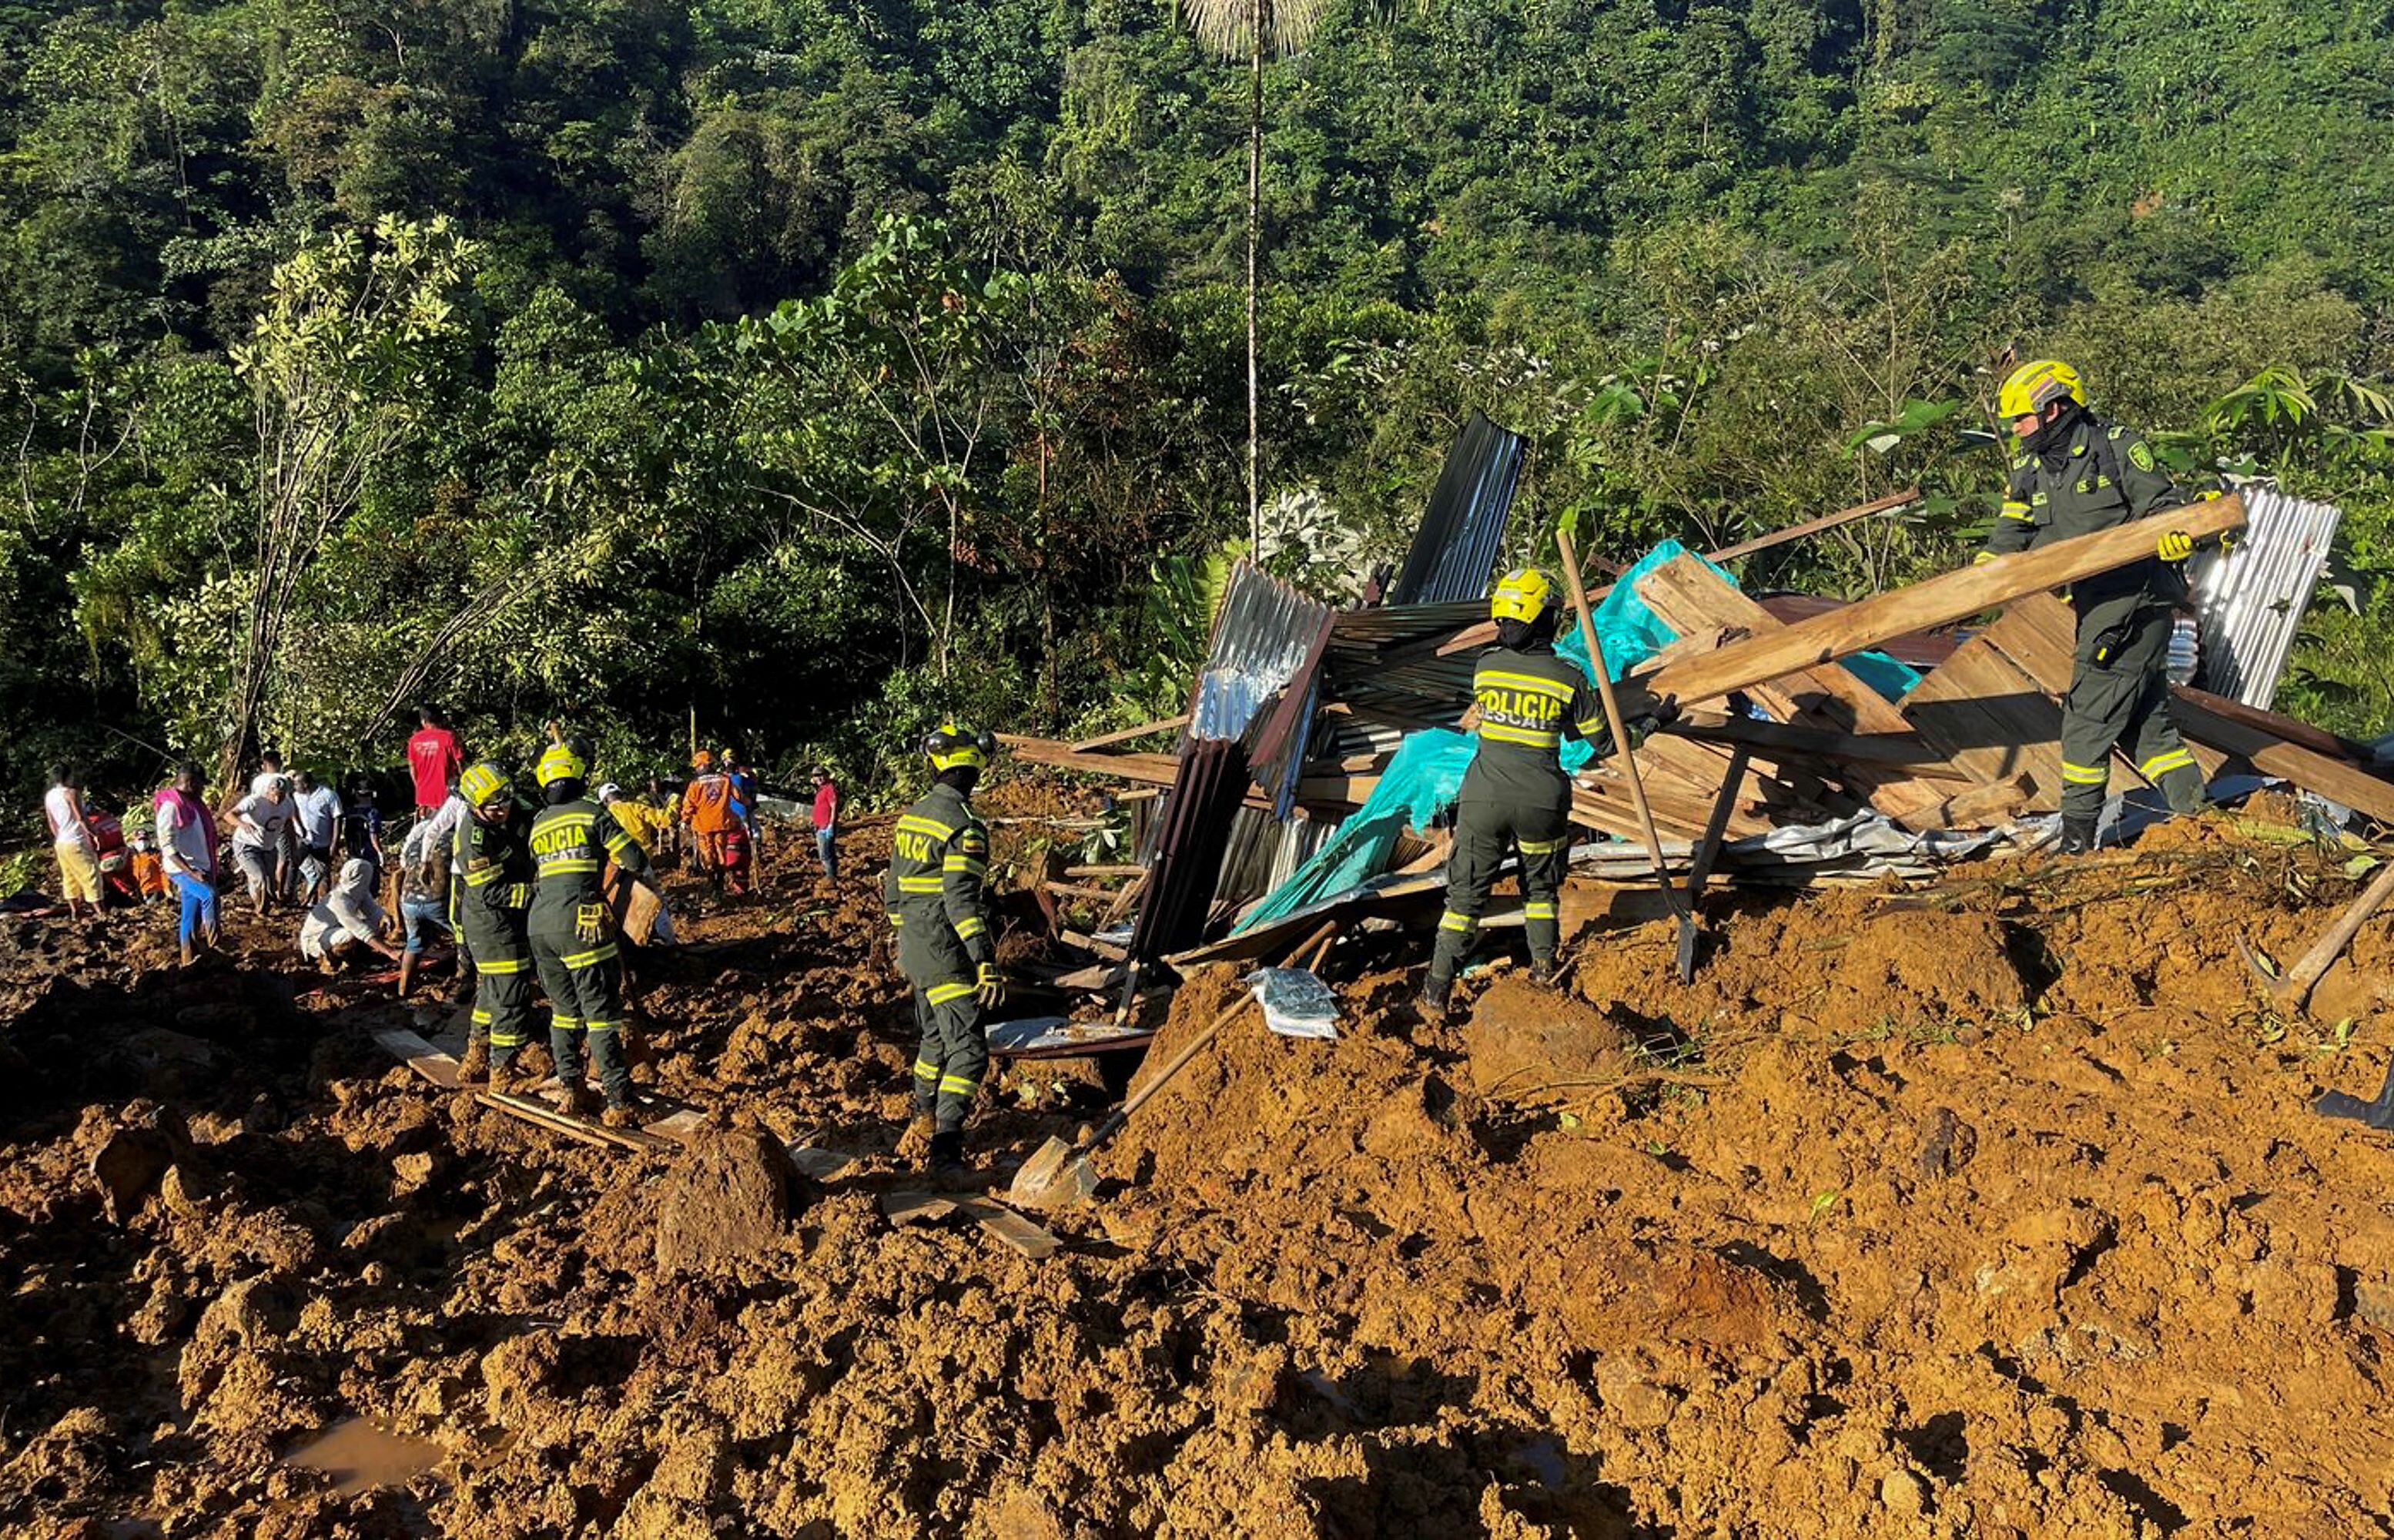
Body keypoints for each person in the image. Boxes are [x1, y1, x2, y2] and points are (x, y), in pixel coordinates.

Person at [1417, 569, 1671, 1017]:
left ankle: (1435, 993)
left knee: (1463, 901)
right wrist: (1653, 723)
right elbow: (1606, 742)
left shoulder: (1486, 668)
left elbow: (1513, 714)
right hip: (1541, 802)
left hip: (1482, 800)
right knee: (1540, 891)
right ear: (1546, 620)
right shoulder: (1568, 678)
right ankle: (1542, 972)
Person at [1980, 359, 2208, 854]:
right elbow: (2009, 534)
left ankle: (2078, 842)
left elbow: (2165, 507)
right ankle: (2200, 820)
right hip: (2092, 604)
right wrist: (1979, 581)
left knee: (2084, 719)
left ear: (2053, 408)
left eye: (2021, 420)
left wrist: (2173, 537)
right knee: (2147, 728)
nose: (2016, 431)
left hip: (2135, 601)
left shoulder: (2117, 446)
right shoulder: (2029, 469)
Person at [883, 723, 1005, 1177]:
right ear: (974, 771)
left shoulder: (912, 817)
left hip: (913, 948)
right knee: (970, 1049)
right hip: (944, 951)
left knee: (933, 1039)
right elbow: (961, 902)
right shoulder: (965, 826)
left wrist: (910, 941)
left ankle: (921, 1118)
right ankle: (946, 1151)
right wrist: (984, 959)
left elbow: (894, 895)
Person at [527, 742, 656, 1125]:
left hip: (539, 926)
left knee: (564, 1014)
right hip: (580, 924)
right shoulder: (591, 813)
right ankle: (619, 1101)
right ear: (579, 777)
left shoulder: (538, 822)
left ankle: (572, 1090)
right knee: (601, 1014)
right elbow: (635, 858)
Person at [451, 762, 538, 1086]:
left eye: (506, 799)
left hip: (506, 920)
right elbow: (493, 891)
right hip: (492, 925)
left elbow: (538, 812)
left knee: (491, 991)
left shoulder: (513, 807)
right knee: (511, 995)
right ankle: (503, 1069)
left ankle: (476, 1055)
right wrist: (540, 894)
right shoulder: (472, 841)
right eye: (494, 805)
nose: (504, 808)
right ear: (476, 807)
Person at [155, 765, 219, 965]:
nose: (203, 790)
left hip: (200, 865)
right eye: (201, 785)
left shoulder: (194, 804)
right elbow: (168, 847)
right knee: (210, 896)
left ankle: (188, 957)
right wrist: (191, 873)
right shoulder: (171, 807)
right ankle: (214, 947)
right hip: (182, 868)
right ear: (191, 783)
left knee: (190, 914)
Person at [300, 855, 404, 972]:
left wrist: (384, 917)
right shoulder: (338, 899)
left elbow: (373, 911)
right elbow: (359, 930)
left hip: (335, 930)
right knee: (352, 934)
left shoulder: (360, 893)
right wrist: (390, 951)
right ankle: (334, 960)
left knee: (374, 925)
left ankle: (361, 956)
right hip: (317, 938)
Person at [396, 812, 457, 998]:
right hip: (436, 900)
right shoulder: (454, 841)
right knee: (466, 939)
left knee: (414, 944)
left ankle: (403, 990)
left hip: (409, 901)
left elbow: (405, 867)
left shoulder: (417, 844)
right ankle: (470, 984)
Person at [679, 750, 748, 896]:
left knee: (707, 855)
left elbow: (688, 805)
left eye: (698, 766)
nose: (697, 769)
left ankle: (712, 884)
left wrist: (685, 820)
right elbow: (739, 796)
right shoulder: (725, 780)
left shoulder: (695, 785)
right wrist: (749, 803)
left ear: (703, 766)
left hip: (703, 827)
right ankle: (720, 884)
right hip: (722, 824)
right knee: (721, 853)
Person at [229, 777, 296, 916]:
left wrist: (293, 847)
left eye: (281, 796)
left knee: (270, 881)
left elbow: (289, 825)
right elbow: (229, 815)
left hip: (268, 847)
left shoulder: (288, 804)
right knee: (260, 877)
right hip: (246, 845)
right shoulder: (254, 801)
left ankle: (265, 904)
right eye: (274, 795)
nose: (277, 800)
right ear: (268, 791)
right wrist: (242, 824)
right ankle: (261, 912)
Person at [42, 765, 102, 921]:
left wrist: (59, 837)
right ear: (68, 776)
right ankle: (100, 912)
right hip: (76, 840)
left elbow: (51, 822)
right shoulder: (71, 793)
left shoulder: (50, 796)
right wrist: (94, 834)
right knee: (91, 875)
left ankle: (75, 910)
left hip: (61, 842)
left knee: (69, 877)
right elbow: (81, 818)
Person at [290, 769, 343, 904]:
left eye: (297, 784)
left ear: (306, 784)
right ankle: (290, 897)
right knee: (293, 866)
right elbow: (291, 811)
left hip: (323, 842)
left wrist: (334, 843)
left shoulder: (328, 796)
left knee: (323, 874)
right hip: (303, 839)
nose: (295, 787)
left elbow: (338, 818)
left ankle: (322, 903)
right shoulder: (295, 796)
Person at [408, 707, 464, 815]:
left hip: (424, 794)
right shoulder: (449, 736)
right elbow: (459, 763)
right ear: (441, 720)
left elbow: (412, 768)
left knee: (427, 827)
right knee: (447, 827)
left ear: (423, 721)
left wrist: (419, 787)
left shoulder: (414, 740)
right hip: (446, 791)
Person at [810, 765, 840, 882]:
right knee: (828, 852)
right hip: (819, 826)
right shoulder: (821, 789)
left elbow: (834, 807)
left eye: (821, 775)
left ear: (826, 776)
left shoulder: (829, 788)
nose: (819, 778)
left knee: (825, 854)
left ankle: (830, 877)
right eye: (817, 776)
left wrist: (831, 824)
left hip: (826, 826)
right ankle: (832, 874)